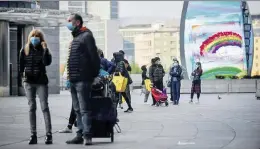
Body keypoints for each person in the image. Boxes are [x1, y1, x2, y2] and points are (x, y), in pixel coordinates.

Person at [66, 13, 100, 146]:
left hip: (83, 79)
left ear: (78, 22)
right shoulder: (77, 37)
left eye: (70, 21)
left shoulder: (86, 36)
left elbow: (94, 57)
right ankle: (79, 134)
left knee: (84, 108)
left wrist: (93, 75)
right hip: (74, 79)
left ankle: (87, 135)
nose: (68, 23)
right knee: (77, 109)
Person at [19, 29, 53, 145]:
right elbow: (21, 66)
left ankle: (49, 135)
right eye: (33, 36)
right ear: (30, 37)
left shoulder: (44, 50)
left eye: (37, 37)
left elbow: (47, 62)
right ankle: (33, 135)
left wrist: (45, 49)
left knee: (44, 107)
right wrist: (23, 79)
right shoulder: (25, 50)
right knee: (31, 107)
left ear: (41, 39)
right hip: (28, 82)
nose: (34, 38)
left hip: (41, 82)